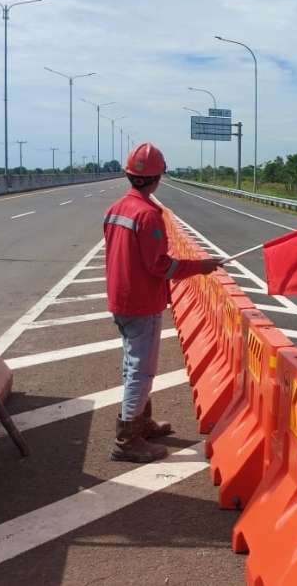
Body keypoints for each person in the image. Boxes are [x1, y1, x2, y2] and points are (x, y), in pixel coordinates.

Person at [104, 142, 220, 463]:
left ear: (130, 175)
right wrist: (201, 266)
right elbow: (161, 266)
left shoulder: (116, 209)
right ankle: (127, 440)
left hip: (120, 298)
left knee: (132, 364)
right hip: (141, 302)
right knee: (142, 369)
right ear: (158, 177)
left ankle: (141, 423)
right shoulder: (148, 215)